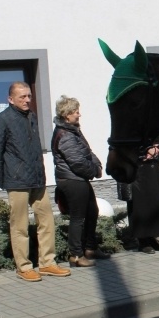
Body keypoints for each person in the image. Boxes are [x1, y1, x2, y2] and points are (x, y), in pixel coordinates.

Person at [0, 82, 70, 282]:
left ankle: (47, 263)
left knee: (47, 221)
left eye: (29, 96)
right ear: (10, 99)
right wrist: (3, 180)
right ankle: (23, 266)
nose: (27, 100)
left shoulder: (31, 117)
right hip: (17, 182)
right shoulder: (1, 121)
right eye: (22, 97)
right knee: (20, 225)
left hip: (37, 179)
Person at [52, 95, 107, 268]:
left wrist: (97, 165)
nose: (79, 114)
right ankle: (76, 255)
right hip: (72, 180)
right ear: (66, 115)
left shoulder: (73, 130)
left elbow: (87, 152)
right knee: (78, 217)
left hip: (79, 179)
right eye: (76, 111)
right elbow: (77, 162)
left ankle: (90, 248)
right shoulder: (65, 135)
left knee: (92, 211)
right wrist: (95, 170)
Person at [117, 133, 159, 254]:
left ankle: (152, 237)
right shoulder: (128, 122)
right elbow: (126, 140)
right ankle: (142, 240)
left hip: (152, 164)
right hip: (136, 166)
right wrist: (147, 149)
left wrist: (158, 148)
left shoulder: (150, 118)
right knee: (140, 205)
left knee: (155, 202)